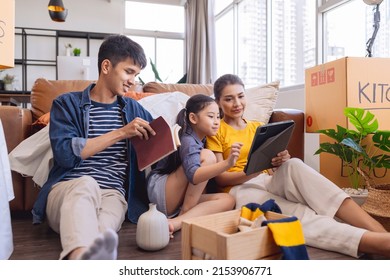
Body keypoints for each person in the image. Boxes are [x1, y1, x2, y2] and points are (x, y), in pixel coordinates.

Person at [206, 73, 390, 258]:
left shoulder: (256, 127)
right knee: (298, 212)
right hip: (239, 189)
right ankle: (378, 243)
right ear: (218, 102)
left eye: (240, 96)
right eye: (229, 99)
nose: (237, 103)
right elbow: (220, 178)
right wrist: (252, 171)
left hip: (266, 178)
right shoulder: (216, 130)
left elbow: (269, 166)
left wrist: (280, 159)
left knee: (293, 163)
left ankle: (379, 231)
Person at [31, 35, 156, 260]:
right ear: (106, 66)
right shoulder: (66, 104)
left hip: (112, 194)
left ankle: (86, 260)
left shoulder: (134, 109)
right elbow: (66, 155)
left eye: (136, 75)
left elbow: (159, 138)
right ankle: (78, 255)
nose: (133, 81)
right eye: (129, 72)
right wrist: (121, 133)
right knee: (86, 185)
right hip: (68, 189)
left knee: (104, 232)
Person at [146, 94, 240, 235]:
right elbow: (194, 176)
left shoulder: (201, 139)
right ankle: (186, 212)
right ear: (193, 118)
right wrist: (227, 163)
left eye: (218, 117)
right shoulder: (188, 140)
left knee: (228, 200)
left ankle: (176, 222)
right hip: (162, 191)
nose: (216, 122)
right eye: (210, 116)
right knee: (208, 156)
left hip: (175, 198)